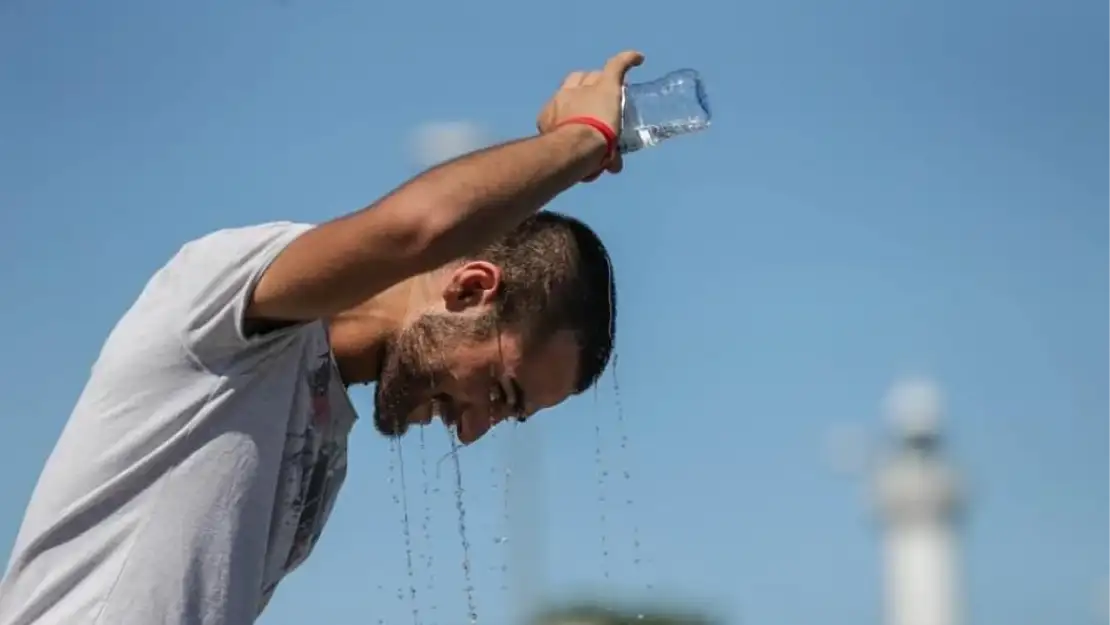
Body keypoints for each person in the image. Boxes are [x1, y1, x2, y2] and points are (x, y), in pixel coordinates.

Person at [0, 50, 644, 625]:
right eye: (501, 392)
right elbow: (416, 230)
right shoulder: (225, 307)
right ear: (471, 290)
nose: (473, 431)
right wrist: (583, 140)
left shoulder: (324, 446)